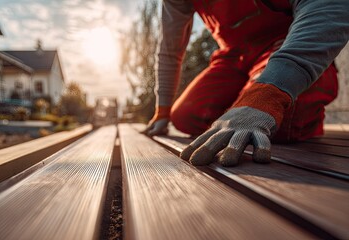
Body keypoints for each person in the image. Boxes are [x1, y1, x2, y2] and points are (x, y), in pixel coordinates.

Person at [144, 0, 349, 167]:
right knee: (185, 116)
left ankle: (300, 109)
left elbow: (329, 5)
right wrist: (163, 110)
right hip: (233, 57)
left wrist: (266, 95)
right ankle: (239, 110)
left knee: (281, 118)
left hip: (284, 44)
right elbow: (170, 51)